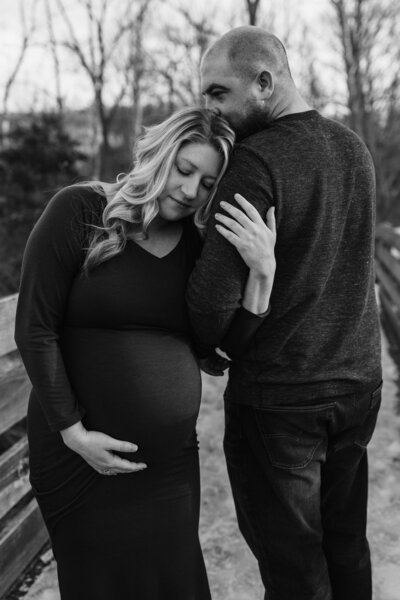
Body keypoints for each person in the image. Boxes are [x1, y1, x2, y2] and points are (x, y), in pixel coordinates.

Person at [15, 107, 276, 600]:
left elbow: (218, 354)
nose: (190, 190)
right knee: (98, 586)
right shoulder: (80, 210)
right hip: (78, 456)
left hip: (170, 467)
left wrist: (261, 274)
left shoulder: (197, 247)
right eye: (184, 169)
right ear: (160, 152)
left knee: (176, 585)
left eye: (207, 182)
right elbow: (34, 326)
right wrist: (73, 433)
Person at [187, 26, 382, 600]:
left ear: (265, 83)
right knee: (347, 548)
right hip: (356, 388)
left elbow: (207, 305)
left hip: (281, 398)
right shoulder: (353, 148)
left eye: (219, 92)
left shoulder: (254, 163)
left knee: (296, 569)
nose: (209, 107)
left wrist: (209, 345)